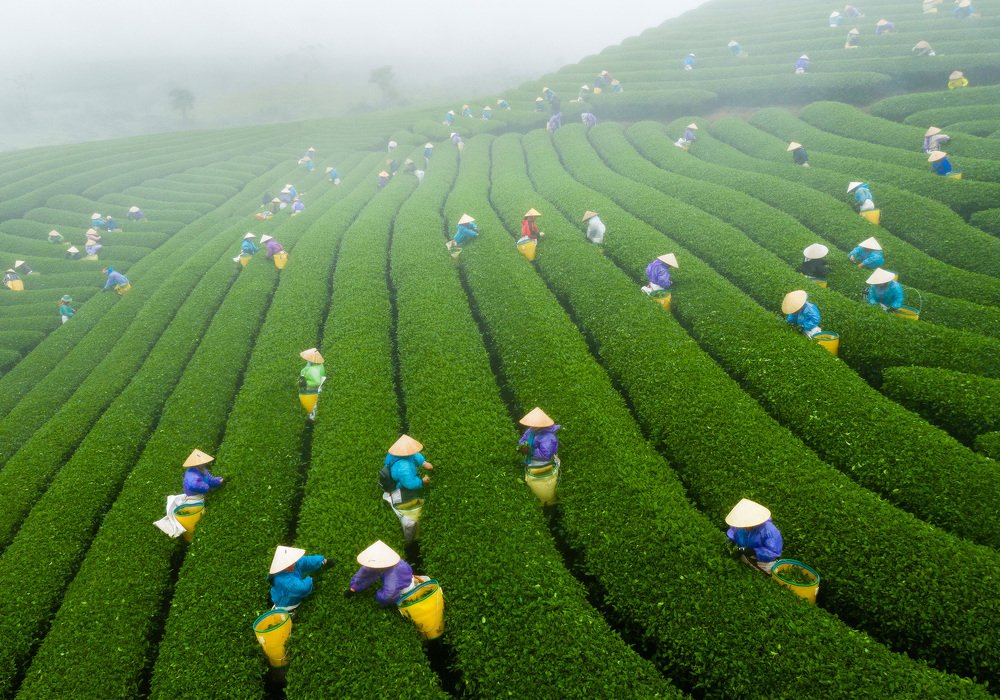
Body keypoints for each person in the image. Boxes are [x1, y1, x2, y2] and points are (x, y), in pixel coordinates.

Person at [346, 540, 421, 606]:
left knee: (396, 594)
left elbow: (389, 594)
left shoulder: (392, 575)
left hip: (404, 588)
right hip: (399, 578)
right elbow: (366, 571)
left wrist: (379, 597)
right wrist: (354, 587)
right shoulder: (383, 562)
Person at [725, 498, 783, 574]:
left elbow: (773, 552)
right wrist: (731, 543)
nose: (746, 527)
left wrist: (754, 551)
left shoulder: (770, 531)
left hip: (763, 562)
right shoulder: (740, 525)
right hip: (745, 557)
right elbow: (733, 533)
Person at [269, 546, 328, 612]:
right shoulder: (282, 579)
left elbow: (305, 561)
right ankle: (289, 613)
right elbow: (302, 588)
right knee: (290, 608)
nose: (295, 563)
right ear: (285, 566)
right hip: (287, 604)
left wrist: (321, 560)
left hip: (284, 595)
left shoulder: (291, 565)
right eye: (293, 563)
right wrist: (310, 580)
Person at [379, 434, 433, 505]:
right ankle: (392, 498)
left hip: (396, 473)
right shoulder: (404, 467)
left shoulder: (398, 453)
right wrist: (422, 481)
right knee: (411, 493)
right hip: (397, 483)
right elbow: (410, 483)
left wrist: (424, 463)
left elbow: (414, 455)